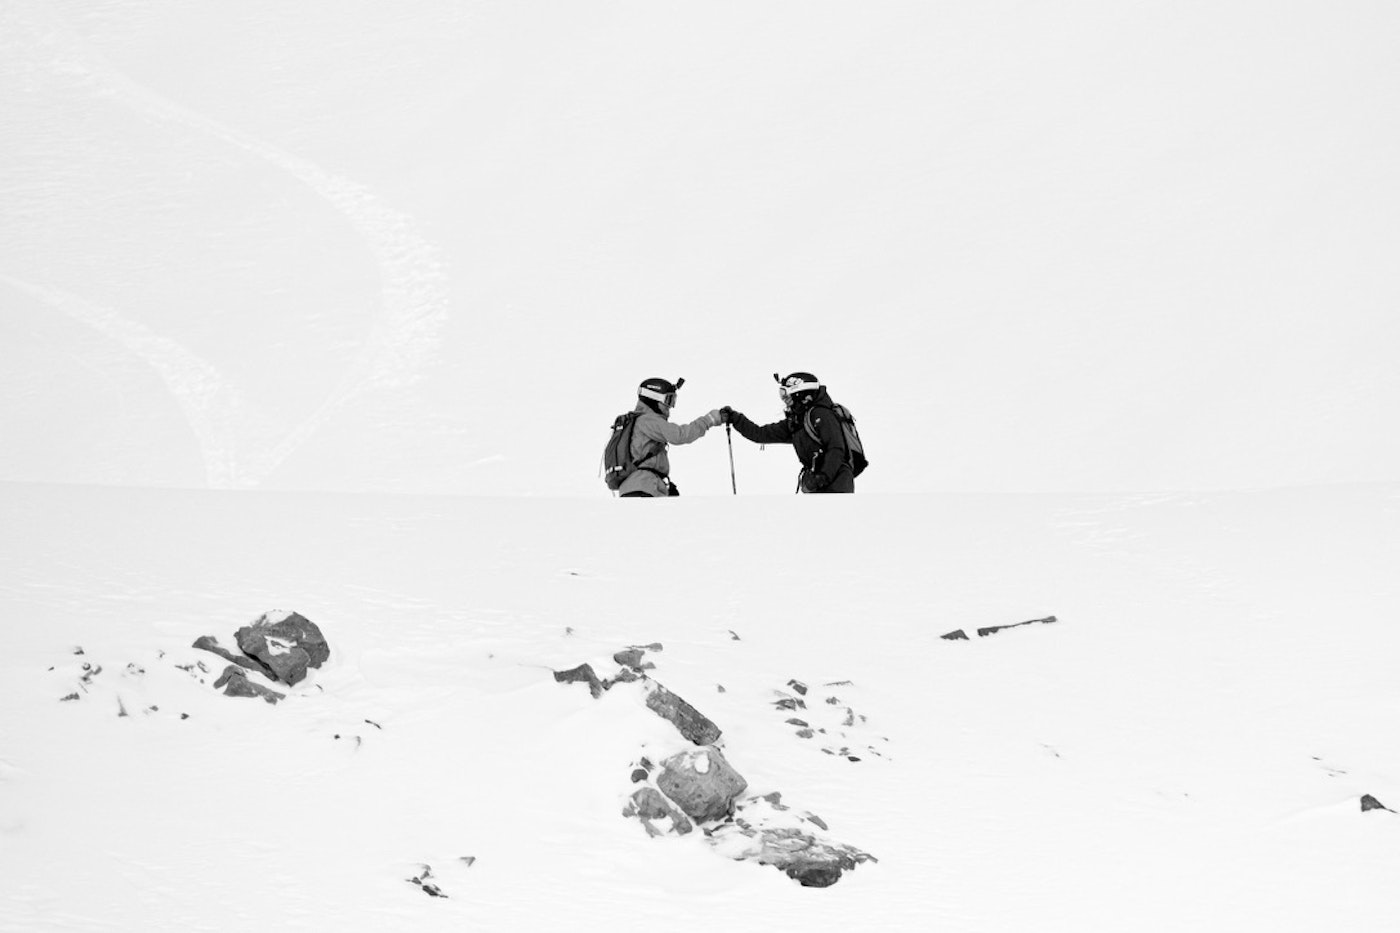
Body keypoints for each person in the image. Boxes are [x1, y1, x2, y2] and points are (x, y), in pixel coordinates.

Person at [723, 373, 856, 494]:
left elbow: (837, 448)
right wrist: (735, 418)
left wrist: (822, 477)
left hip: (837, 483)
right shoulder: (796, 423)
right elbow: (760, 434)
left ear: (800, 394)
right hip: (816, 483)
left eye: (786, 394)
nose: (784, 399)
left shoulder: (821, 414)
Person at [618, 377, 724, 497]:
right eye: (668, 400)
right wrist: (709, 419)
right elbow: (680, 435)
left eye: (673, 400)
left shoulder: (640, 421)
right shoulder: (648, 420)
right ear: (654, 398)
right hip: (643, 488)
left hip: (640, 486)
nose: (670, 406)